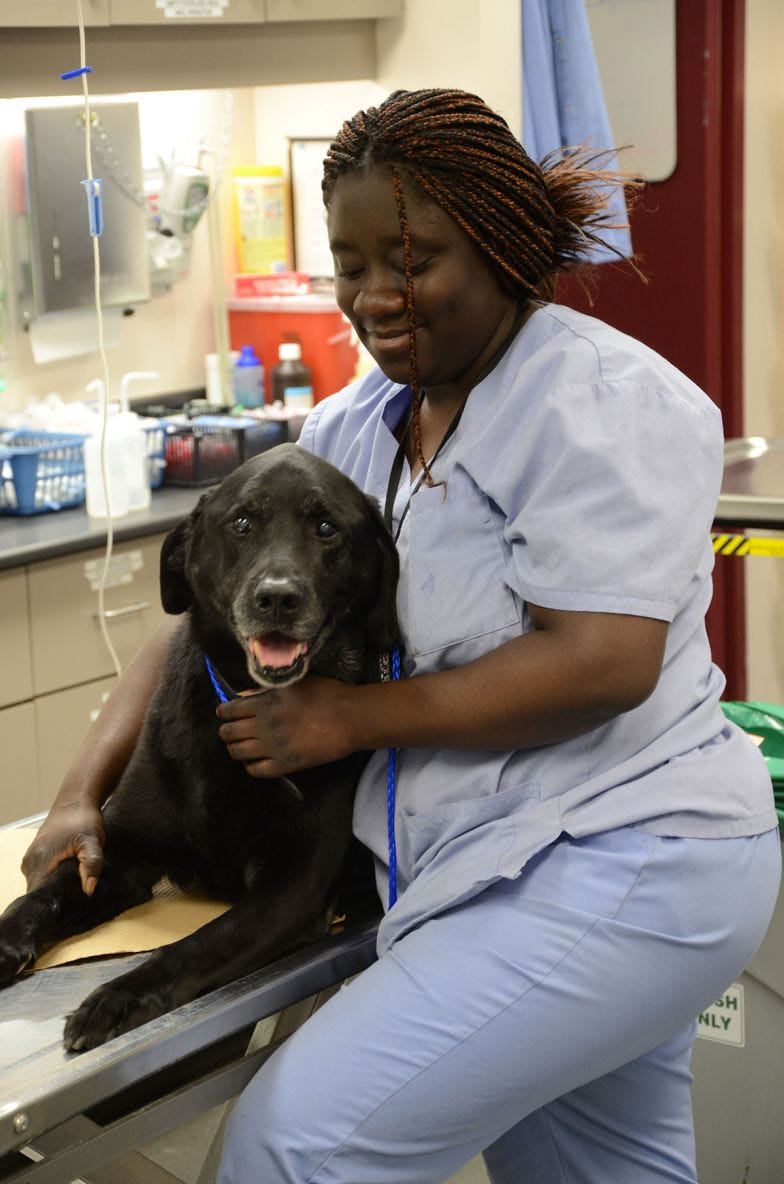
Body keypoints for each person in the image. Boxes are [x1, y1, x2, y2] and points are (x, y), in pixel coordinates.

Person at [23, 89, 780, 1184]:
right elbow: (206, 609)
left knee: (296, 1145)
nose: (376, 296)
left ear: (500, 247)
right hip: (486, 871)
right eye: (351, 263)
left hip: (623, 860)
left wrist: (346, 716)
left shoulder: (605, 400)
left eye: (412, 259)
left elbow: (602, 661)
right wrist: (82, 790)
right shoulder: (350, 430)